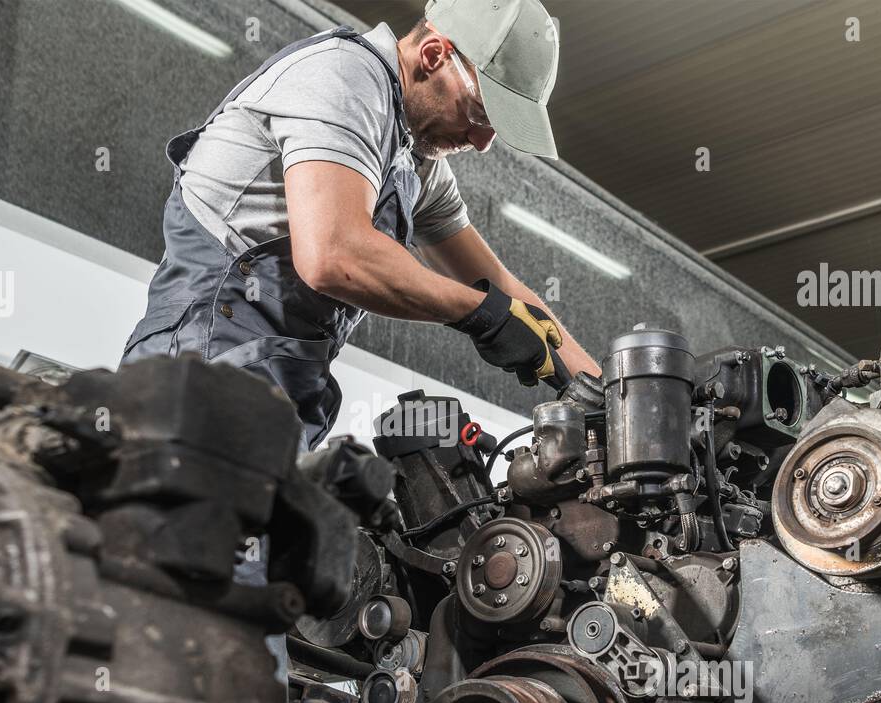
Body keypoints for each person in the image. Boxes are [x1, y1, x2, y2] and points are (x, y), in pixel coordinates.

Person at [122, 0, 600, 456]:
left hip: (286, 383)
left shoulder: (416, 163)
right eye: (479, 116)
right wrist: (482, 315)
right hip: (206, 357)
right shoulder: (344, 77)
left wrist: (608, 403)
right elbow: (334, 255)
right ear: (434, 55)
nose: (480, 142)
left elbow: (507, 292)